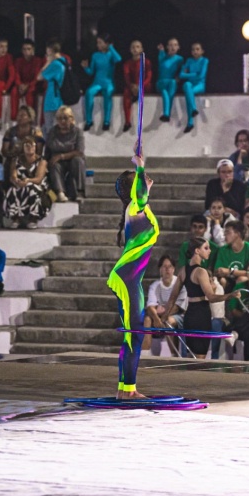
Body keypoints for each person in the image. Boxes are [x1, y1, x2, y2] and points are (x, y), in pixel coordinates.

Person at [108, 149, 159, 396]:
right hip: (127, 278)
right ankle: (128, 390)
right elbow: (140, 194)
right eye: (141, 178)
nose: (147, 179)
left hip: (131, 279)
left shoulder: (139, 209)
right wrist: (140, 165)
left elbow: (141, 194)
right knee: (135, 334)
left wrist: (140, 169)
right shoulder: (135, 207)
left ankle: (124, 389)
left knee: (133, 334)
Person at [167, 238, 238, 360]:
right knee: (199, 358)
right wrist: (230, 295)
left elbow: (172, 298)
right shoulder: (201, 271)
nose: (209, 251)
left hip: (189, 314)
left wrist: (164, 317)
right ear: (197, 250)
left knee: (191, 357)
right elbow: (211, 297)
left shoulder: (183, 270)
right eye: (206, 248)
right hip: (201, 315)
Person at [145, 255, 188, 356]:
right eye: (164, 267)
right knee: (147, 320)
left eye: (170, 266)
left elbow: (177, 307)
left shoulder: (180, 285)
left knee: (168, 321)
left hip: (179, 315)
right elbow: (151, 306)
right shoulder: (155, 286)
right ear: (160, 269)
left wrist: (163, 315)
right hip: (161, 315)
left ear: (173, 269)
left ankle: (174, 355)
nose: (167, 269)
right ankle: (145, 354)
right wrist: (156, 318)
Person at [4, 137, 49, 229]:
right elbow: (13, 175)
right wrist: (16, 181)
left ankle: (33, 218)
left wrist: (27, 180)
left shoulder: (42, 161)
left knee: (32, 188)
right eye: (27, 145)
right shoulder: (16, 160)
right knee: (13, 190)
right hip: (20, 184)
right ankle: (15, 218)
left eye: (32, 145)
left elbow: (38, 179)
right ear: (23, 147)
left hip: (37, 184)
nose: (29, 147)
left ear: (35, 147)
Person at [82, 35, 122, 132]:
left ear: (106, 43)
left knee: (108, 93)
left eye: (100, 42)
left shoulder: (111, 55)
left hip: (108, 82)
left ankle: (106, 121)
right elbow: (91, 72)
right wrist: (86, 68)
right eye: (97, 43)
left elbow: (118, 59)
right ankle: (89, 121)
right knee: (89, 93)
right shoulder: (95, 55)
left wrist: (111, 47)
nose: (97, 45)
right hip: (97, 82)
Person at [45, 106, 85, 202]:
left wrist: (61, 156)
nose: (62, 121)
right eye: (59, 118)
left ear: (71, 118)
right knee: (54, 164)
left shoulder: (77, 132)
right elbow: (48, 150)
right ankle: (60, 192)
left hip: (72, 159)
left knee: (78, 161)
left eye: (65, 118)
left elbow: (79, 151)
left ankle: (79, 192)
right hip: (57, 161)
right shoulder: (52, 132)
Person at [213, 220, 249, 291]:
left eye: (227, 232)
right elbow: (218, 270)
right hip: (228, 280)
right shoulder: (223, 249)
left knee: (242, 279)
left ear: (238, 234)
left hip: (244, 279)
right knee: (221, 280)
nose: (224, 235)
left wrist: (230, 271)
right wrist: (223, 272)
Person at [121, 40, 153, 132]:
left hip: (144, 85)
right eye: (133, 47)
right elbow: (127, 77)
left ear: (142, 49)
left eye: (137, 47)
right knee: (126, 92)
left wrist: (140, 86)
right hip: (133, 87)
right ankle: (127, 121)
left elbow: (149, 77)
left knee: (144, 87)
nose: (135, 49)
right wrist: (132, 86)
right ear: (130, 49)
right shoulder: (127, 63)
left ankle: (137, 96)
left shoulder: (146, 62)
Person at [38, 40, 67, 134]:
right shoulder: (64, 61)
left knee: (50, 129)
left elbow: (39, 77)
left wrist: (48, 62)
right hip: (61, 99)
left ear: (50, 50)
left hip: (52, 100)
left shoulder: (55, 64)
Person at [180, 42, 209, 132]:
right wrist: (194, 74)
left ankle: (190, 122)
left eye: (197, 49)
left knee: (189, 93)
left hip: (200, 85)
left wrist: (189, 74)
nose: (195, 51)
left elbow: (201, 76)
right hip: (191, 84)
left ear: (202, 51)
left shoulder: (204, 60)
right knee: (186, 85)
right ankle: (193, 109)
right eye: (193, 49)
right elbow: (181, 75)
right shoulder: (189, 60)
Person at [13, 39, 44, 122]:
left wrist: (27, 86)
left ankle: (30, 117)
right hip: (21, 84)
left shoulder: (37, 61)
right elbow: (16, 74)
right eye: (24, 49)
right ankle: (14, 118)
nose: (26, 51)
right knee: (14, 91)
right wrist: (20, 85)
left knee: (30, 92)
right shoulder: (18, 61)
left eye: (29, 49)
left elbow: (37, 77)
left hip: (33, 84)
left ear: (33, 50)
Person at [156, 38, 185, 122]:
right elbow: (161, 65)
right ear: (167, 47)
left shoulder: (180, 59)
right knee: (164, 90)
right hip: (161, 82)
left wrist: (178, 78)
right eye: (171, 45)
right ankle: (167, 113)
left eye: (175, 45)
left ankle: (166, 114)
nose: (173, 47)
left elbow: (182, 71)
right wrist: (161, 51)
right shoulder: (163, 56)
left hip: (171, 83)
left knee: (171, 85)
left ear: (178, 47)